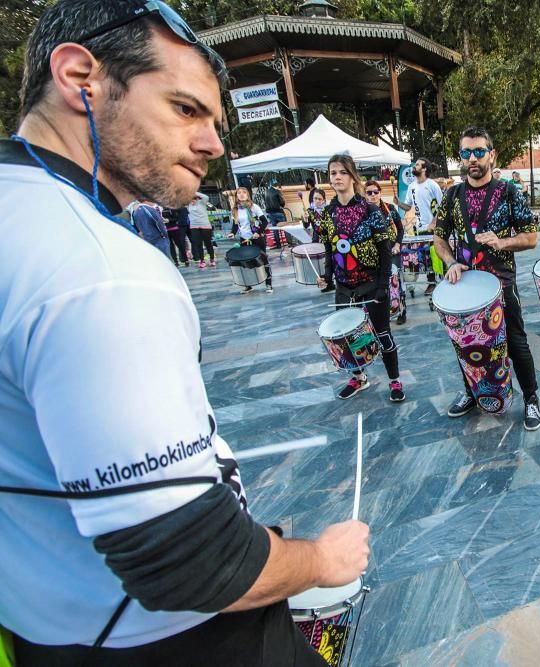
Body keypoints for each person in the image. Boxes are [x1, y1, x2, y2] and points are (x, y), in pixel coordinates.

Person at [1, 2, 368, 664]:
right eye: (185, 108)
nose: (214, 144)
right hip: (177, 640)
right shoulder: (101, 271)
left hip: (45, 629)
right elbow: (197, 564)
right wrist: (320, 558)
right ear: (80, 75)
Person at [433, 126, 540, 431]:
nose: (472, 158)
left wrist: (503, 242)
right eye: (466, 152)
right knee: (465, 344)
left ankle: (531, 399)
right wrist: (451, 261)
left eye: (479, 151)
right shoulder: (452, 195)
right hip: (466, 289)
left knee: (516, 342)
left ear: (491, 154)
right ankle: (471, 392)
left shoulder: (510, 192)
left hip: (501, 285)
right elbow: (439, 238)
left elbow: (532, 237)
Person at [321, 155, 405, 402]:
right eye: (333, 172)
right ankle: (359, 377)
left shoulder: (369, 210)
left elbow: (384, 250)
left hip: (371, 283)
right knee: (345, 337)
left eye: (342, 172)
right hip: (344, 286)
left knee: (383, 334)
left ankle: (395, 381)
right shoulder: (328, 214)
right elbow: (330, 248)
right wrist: (327, 276)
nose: (337, 177)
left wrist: (382, 286)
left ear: (352, 177)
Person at [395, 157, 442, 295]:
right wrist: (398, 203)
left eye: (417, 165)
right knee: (424, 257)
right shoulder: (412, 186)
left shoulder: (432, 185)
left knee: (434, 256)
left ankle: (434, 282)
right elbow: (408, 206)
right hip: (420, 228)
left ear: (425, 168)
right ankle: (429, 282)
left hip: (433, 228)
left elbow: (442, 206)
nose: (414, 167)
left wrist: (434, 223)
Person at [365, 178, 407, 325]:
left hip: (392, 251)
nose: (372, 195)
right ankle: (384, 313)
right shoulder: (364, 213)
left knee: (396, 282)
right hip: (375, 255)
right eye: (369, 192)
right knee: (379, 284)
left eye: (375, 192)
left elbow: (400, 229)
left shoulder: (390, 208)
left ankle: (402, 310)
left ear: (380, 193)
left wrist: (397, 244)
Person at [229, 186, 273, 294]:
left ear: (248, 195)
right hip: (244, 239)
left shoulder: (254, 207)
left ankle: (268, 284)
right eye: (239, 193)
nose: (242, 194)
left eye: (244, 192)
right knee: (244, 262)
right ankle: (248, 285)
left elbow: (264, 222)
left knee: (263, 260)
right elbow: (235, 225)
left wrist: (258, 232)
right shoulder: (235, 210)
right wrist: (232, 233)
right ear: (236, 196)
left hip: (257, 238)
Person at [304, 187, 335, 292]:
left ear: (324, 200)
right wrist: (305, 219)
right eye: (315, 198)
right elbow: (306, 225)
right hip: (319, 240)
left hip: (330, 240)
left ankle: (331, 282)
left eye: (319, 199)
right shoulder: (309, 211)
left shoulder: (328, 210)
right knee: (327, 262)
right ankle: (329, 282)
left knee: (331, 261)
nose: (317, 201)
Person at [187, 191, 215, 268]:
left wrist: (194, 192)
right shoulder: (188, 205)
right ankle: (202, 260)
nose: (192, 201)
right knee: (198, 244)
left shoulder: (202, 203)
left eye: (194, 199)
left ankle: (212, 259)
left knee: (208, 243)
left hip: (205, 225)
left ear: (197, 198)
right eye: (191, 199)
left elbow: (206, 197)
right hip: (194, 226)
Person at [264, 179, 287, 258]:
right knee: (286, 227)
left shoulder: (266, 192)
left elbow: (265, 202)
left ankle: (278, 244)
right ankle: (289, 241)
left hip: (270, 212)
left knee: (275, 229)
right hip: (278, 211)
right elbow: (282, 203)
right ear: (277, 186)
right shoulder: (277, 192)